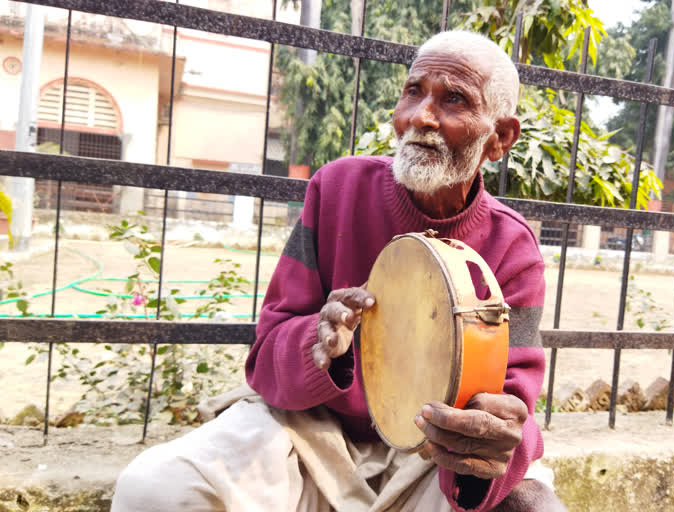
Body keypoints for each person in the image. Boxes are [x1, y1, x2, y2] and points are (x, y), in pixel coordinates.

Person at [112, 30, 566, 512]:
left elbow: (511, 416)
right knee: (154, 489)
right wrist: (319, 341)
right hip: (310, 433)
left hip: (433, 456)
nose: (420, 117)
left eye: (454, 100)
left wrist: (492, 443)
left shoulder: (512, 247)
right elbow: (265, 357)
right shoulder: (337, 188)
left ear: (499, 138)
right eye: (413, 91)